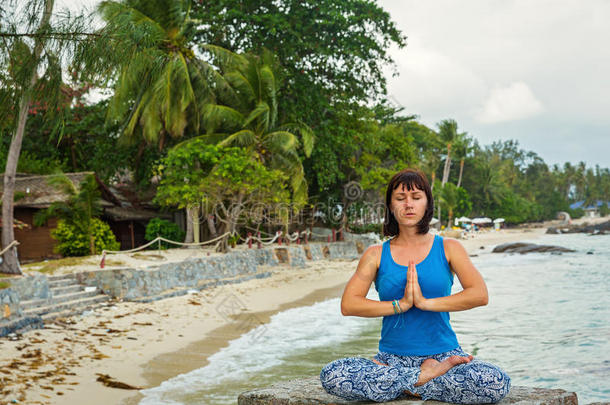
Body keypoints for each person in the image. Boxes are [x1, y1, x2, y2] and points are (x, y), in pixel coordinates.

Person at [320, 169, 511, 403]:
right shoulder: (376, 254)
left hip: (444, 358)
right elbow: (349, 305)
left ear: (427, 203)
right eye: (400, 198)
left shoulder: (449, 247)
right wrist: (400, 305)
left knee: (494, 382)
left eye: (416, 197)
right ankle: (421, 378)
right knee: (332, 374)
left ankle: (403, 384)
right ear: (391, 206)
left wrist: (424, 303)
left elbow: (479, 295)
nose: (408, 204)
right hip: (390, 359)